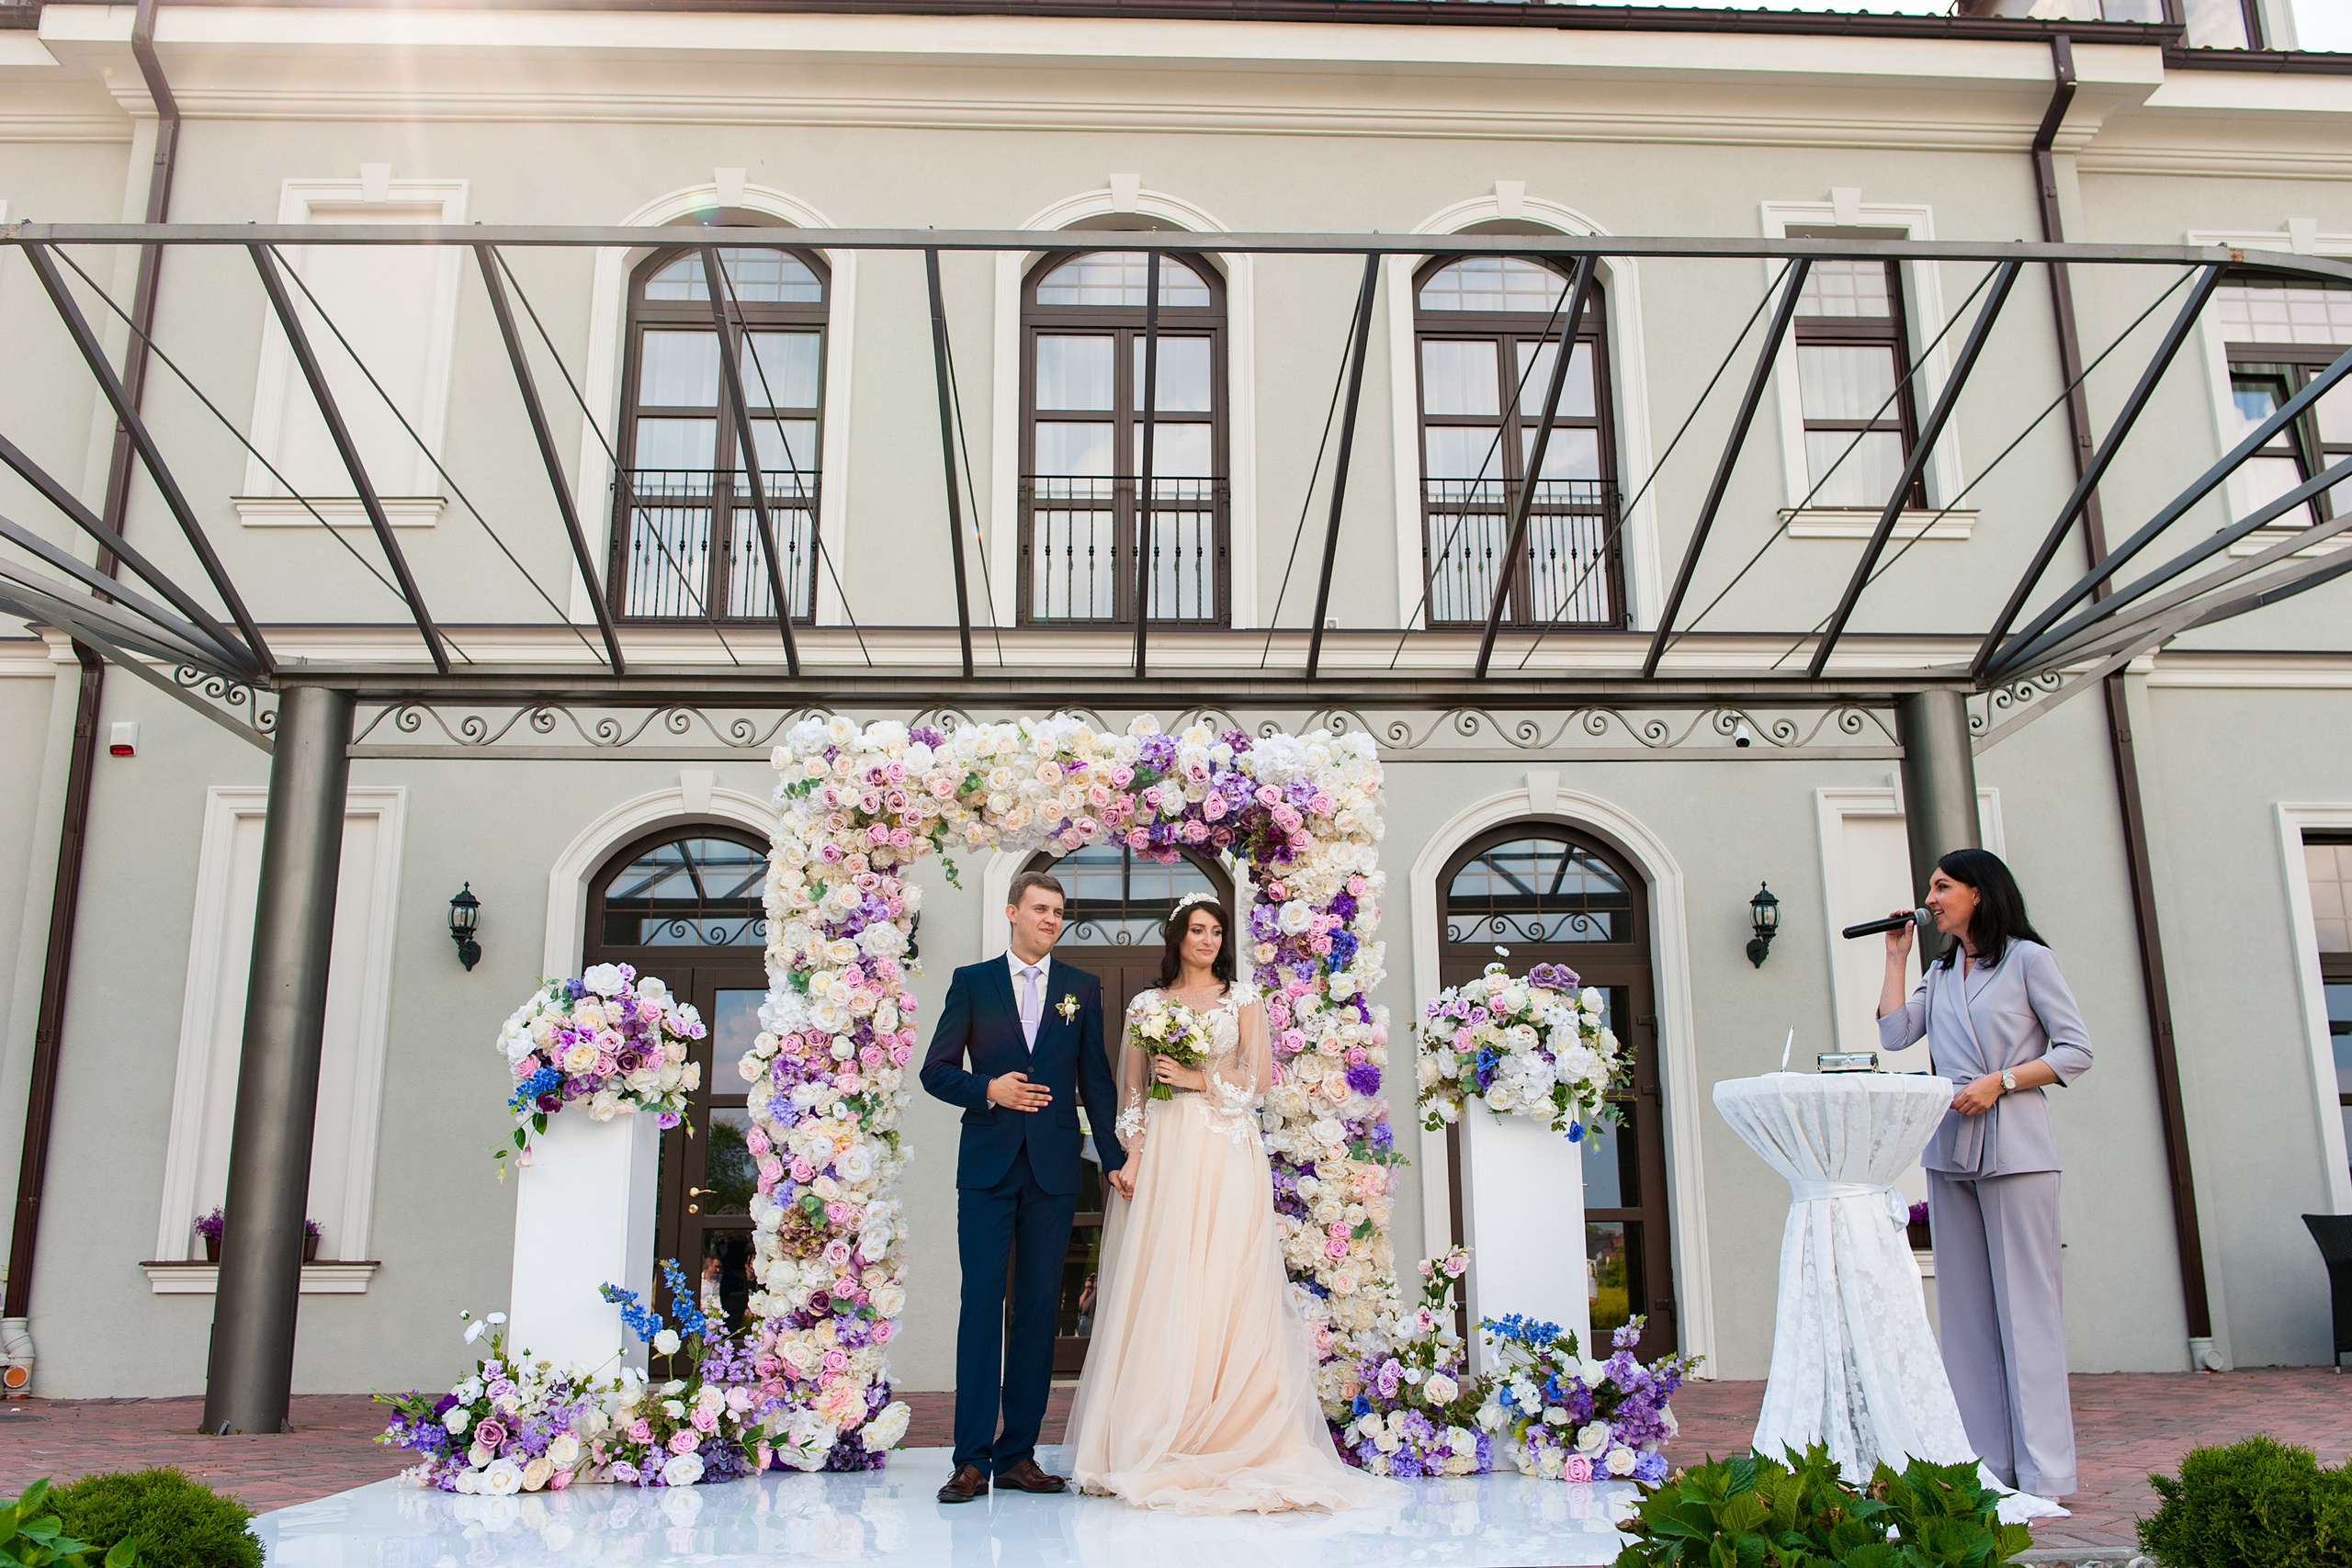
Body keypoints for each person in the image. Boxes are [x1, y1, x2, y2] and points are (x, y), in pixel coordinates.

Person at [1064, 893, 1403, 1515]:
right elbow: (1132, 1091)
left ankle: (1234, 1429)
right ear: (1177, 935)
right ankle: (1153, 1426)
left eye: (1216, 931)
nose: (1208, 940)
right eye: (1197, 929)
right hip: (1167, 1148)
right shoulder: (1148, 1005)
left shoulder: (1243, 1000)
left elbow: (1259, 1080)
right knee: (1167, 1277)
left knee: (1226, 1277)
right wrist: (1132, 1154)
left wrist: (1197, 1078)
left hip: (1224, 1149)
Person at [1876, 847, 2092, 1499]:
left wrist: (2001, 1082)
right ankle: (1986, 1469)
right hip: (1950, 1149)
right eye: (1931, 888)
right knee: (1967, 1316)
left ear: (1980, 891)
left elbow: (2076, 1050)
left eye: (1942, 887)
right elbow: (1892, 1034)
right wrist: (1895, 955)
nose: (1932, 897)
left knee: (2027, 1312)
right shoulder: (1941, 972)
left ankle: (2046, 1471)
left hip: (2018, 1149)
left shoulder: (2029, 960)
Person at [920, 870, 1129, 1505]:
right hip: (986, 1165)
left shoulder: (1081, 988)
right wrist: (989, 1088)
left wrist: (1114, 1157)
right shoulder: (972, 983)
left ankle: (1018, 1456)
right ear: (1012, 911)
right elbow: (935, 1070)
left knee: (1040, 1310)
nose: (1050, 919)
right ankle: (970, 1459)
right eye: (1040, 908)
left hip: (1055, 1169)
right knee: (981, 1304)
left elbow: (1096, 1081)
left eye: (1058, 910)